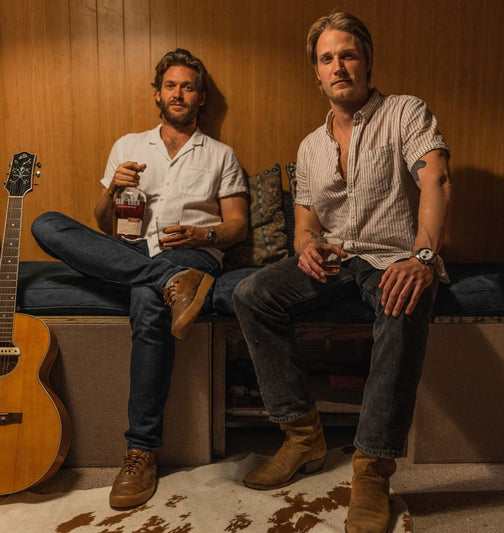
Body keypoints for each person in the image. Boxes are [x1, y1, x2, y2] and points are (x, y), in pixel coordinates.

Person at [233, 12, 451, 533]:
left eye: (348, 54)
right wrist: (305, 247)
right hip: (336, 260)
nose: (339, 66)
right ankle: (302, 436)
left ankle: (372, 468)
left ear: (367, 62)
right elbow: (306, 224)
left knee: (404, 300)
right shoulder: (310, 146)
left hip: (393, 254)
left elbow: (436, 181)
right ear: (317, 73)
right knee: (250, 293)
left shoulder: (404, 112)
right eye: (327, 58)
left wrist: (422, 259)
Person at [31, 48, 248, 509]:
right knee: (46, 224)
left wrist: (202, 232)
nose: (178, 93)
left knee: (149, 304)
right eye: (170, 85)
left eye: (188, 86)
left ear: (201, 96)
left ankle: (140, 451)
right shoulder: (128, 146)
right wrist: (112, 189)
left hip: (193, 253)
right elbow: (101, 221)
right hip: (131, 250)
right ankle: (173, 283)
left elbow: (236, 227)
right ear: (157, 94)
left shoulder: (221, 155)